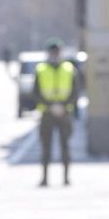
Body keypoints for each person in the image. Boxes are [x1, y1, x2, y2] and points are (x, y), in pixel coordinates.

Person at [33, 38, 78, 186]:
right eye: (53, 52)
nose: (55, 55)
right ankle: (45, 178)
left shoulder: (69, 68)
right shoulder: (41, 69)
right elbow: (36, 92)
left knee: (65, 146)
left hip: (64, 113)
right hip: (47, 112)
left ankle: (66, 178)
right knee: (46, 147)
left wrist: (63, 106)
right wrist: (50, 106)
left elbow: (75, 92)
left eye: (57, 52)